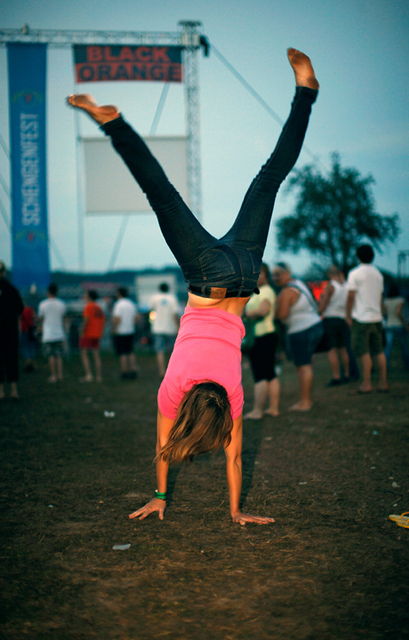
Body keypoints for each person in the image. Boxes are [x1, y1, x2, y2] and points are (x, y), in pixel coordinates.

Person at [68, 47, 319, 525]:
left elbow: (235, 460)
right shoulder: (172, 391)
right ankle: (114, 124)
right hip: (205, 277)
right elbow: (164, 449)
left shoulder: (232, 397)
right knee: (161, 194)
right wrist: (160, 495)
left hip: (244, 274)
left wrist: (237, 511)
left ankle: (305, 93)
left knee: (269, 180)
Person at [273, 263, 323, 411]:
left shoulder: (286, 292)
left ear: (287, 272)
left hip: (300, 330)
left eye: (278, 274)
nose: (275, 278)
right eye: (273, 275)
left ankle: (305, 402)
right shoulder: (299, 284)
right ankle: (307, 398)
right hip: (315, 326)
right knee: (307, 364)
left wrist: (273, 311)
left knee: (303, 366)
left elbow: (282, 315)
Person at [346, 244, 388, 393]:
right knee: (378, 351)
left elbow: (351, 296)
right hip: (376, 318)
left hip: (361, 318)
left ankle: (366, 383)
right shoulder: (378, 274)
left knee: (363, 351)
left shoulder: (354, 273)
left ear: (358, 256)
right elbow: (381, 297)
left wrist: (347, 315)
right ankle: (383, 383)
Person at [243, 263, 280, 419]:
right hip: (265, 336)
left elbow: (262, 311)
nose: (256, 277)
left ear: (266, 274)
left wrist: (245, 312)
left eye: (259, 273)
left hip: (263, 336)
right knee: (270, 373)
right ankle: (273, 408)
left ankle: (257, 410)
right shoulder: (259, 291)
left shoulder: (266, 291)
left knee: (260, 374)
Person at [317, 265, 350, 386]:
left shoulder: (330, 286)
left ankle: (336, 377)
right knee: (343, 348)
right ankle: (346, 374)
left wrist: (318, 312)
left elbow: (324, 303)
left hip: (330, 319)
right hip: (342, 319)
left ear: (330, 274)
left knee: (331, 349)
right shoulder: (346, 286)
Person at [0, 261, 24, 399]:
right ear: (4, 272)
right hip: (10, 330)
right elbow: (20, 309)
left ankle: (1, 391)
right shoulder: (12, 290)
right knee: (11, 359)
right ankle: (14, 390)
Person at [38, 283, 67, 383]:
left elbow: (41, 319)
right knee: (59, 356)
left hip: (48, 334)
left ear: (48, 292)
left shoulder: (43, 304)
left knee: (51, 356)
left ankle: (53, 376)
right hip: (59, 333)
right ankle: (60, 375)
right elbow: (64, 318)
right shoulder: (61, 304)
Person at [149, 283, 180, 377]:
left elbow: (151, 311)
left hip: (157, 328)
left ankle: (162, 371)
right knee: (172, 351)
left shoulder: (154, 298)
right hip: (170, 328)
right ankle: (172, 370)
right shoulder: (173, 298)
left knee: (160, 351)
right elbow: (175, 314)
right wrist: (177, 326)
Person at [112, 286, 139, 379]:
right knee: (130, 351)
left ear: (119, 293)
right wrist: (132, 323)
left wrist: (114, 328)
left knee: (123, 352)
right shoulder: (131, 303)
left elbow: (117, 318)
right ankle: (133, 370)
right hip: (130, 330)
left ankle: (124, 372)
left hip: (121, 331)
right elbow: (137, 316)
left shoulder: (118, 304)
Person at [79, 289, 106, 382]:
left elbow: (86, 320)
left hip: (88, 333)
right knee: (96, 355)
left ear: (89, 296)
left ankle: (89, 375)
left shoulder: (88, 306)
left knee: (84, 354)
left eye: (85, 295)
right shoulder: (99, 307)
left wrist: (82, 331)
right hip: (97, 334)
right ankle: (99, 376)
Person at [383, 283, 409, 370]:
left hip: (389, 325)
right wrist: (405, 323)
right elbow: (399, 312)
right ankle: (407, 365)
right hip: (399, 325)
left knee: (388, 347)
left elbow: (384, 313)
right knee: (403, 347)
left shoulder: (386, 301)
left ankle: (385, 366)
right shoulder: (400, 300)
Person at [20, 301, 38, 372]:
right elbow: (35, 318)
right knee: (31, 347)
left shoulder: (20, 311)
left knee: (25, 347)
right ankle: (32, 363)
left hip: (24, 330)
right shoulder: (30, 309)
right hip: (31, 330)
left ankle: (27, 363)